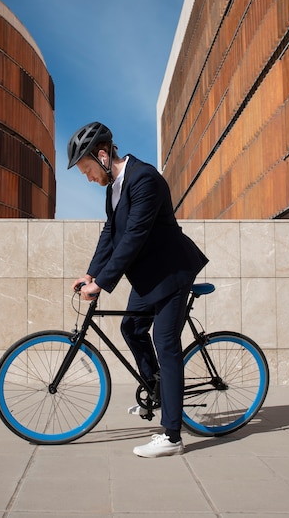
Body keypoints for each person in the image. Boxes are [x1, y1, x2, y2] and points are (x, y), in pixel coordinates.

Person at [68, 121, 208, 458]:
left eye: (87, 169)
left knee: (165, 342)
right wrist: (90, 274)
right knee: (131, 327)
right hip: (149, 277)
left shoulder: (144, 178)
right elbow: (110, 234)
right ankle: (158, 390)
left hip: (173, 272)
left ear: (102, 155)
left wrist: (102, 283)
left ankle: (172, 437)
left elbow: (134, 238)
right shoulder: (113, 188)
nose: (87, 177)